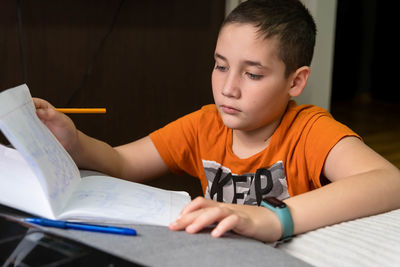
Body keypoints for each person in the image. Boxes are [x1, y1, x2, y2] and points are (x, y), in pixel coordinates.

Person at [33, 0, 400, 243]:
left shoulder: (309, 129)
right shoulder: (203, 125)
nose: (228, 88)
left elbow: (390, 182)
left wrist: (274, 220)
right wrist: (74, 140)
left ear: (296, 81)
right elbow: (122, 162)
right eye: (221, 65)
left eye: (252, 75)